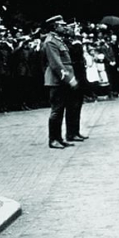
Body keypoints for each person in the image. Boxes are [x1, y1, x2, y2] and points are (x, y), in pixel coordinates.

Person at [42, 15, 80, 149]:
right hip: (57, 80)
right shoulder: (50, 41)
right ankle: (53, 139)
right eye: (61, 25)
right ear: (54, 27)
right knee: (56, 110)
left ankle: (59, 138)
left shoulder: (58, 40)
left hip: (62, 80)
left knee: (61, 109)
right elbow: (56, 64)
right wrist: (70, 79)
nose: (64, 27)